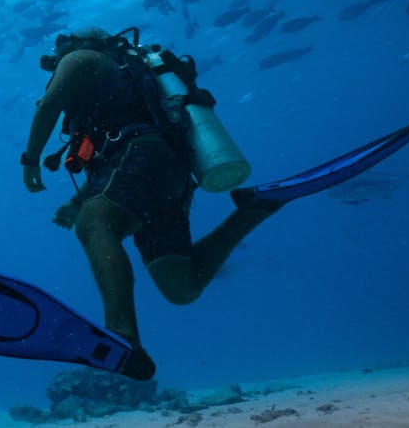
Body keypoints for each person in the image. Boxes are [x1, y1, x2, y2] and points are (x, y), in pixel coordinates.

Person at [19, 27, 283, 381]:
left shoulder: (79, 58)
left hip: (141, 154)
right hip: (165, 171)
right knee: (181, 286)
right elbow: (109, 158)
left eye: (60, 47)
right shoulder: (121, 77)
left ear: (76, 44)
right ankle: (250, 212)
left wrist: (30, 160)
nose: (56, 56)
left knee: (94, 224)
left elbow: (50, 106)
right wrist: (77, 200)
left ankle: (122, 336)